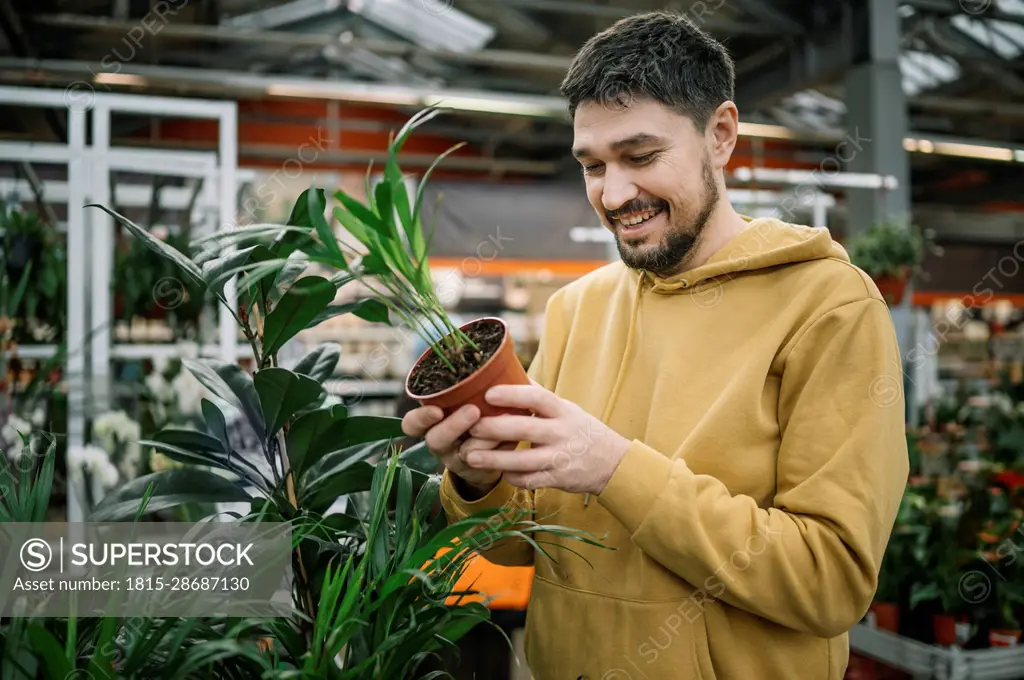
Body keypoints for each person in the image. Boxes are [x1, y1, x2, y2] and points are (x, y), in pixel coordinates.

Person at [401, 10, 909, 680]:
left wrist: (616, 469)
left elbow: (829, 580)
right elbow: (518, 553)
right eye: (592, 165)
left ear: (721, 135)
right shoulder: (577, 309)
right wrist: (476, 476)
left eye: (641, 157)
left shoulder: (828, 307)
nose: (614, 194)